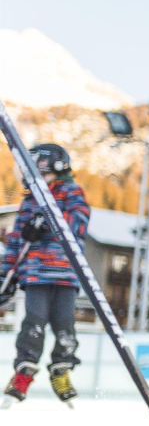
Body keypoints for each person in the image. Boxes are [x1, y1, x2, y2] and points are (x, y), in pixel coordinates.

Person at [1, 143, 90, 405]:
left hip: (65, 275)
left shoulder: (70, 192)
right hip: (35, 274)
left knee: (65, 326)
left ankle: (61, 369)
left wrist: (48, 220)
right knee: (34, 323)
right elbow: (16, 241)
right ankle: (23, 373)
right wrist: (6, 275)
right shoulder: (30, 200)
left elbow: (79, 223)